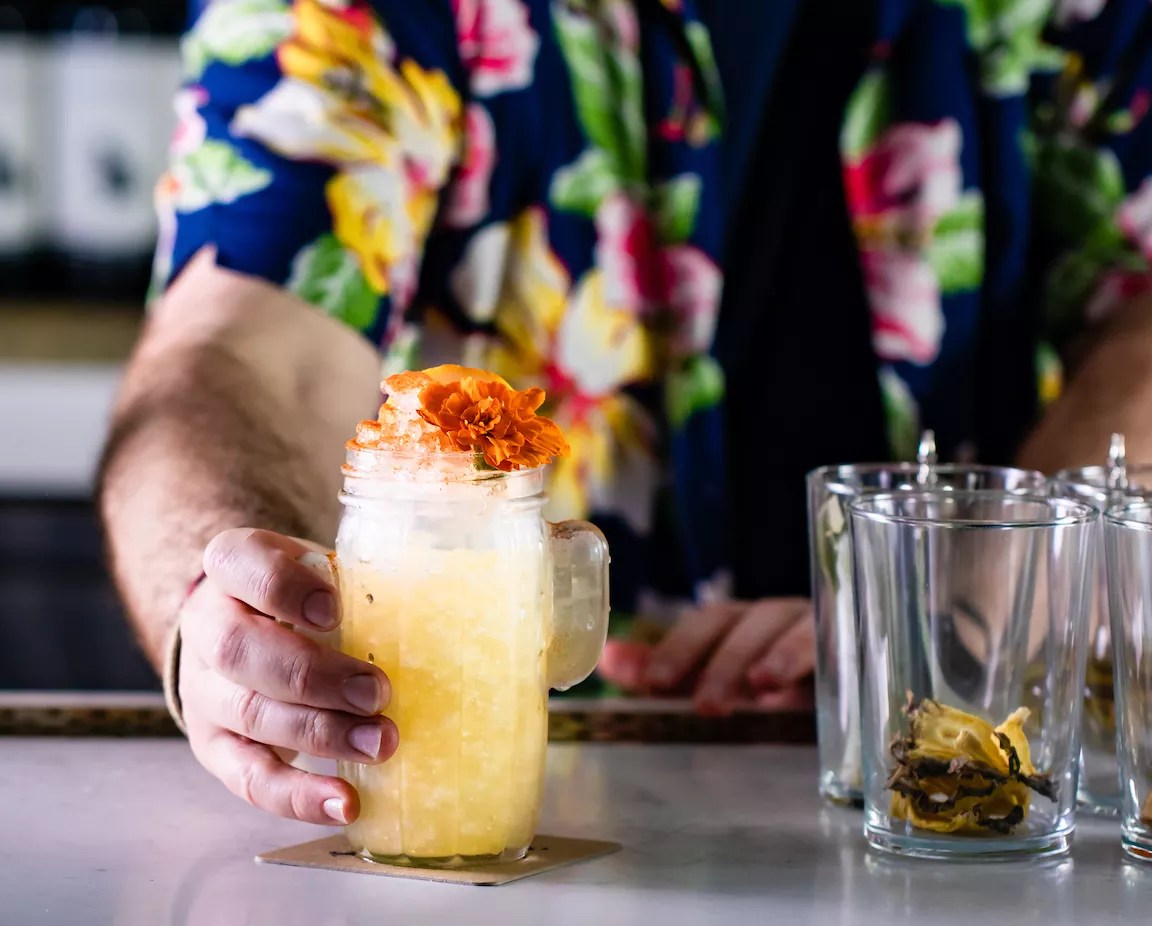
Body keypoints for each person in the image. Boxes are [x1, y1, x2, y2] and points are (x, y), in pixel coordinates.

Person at [100, 0, 1152, 825]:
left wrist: (953, 618)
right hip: (512, 826)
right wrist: (227, 601)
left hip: (968, 804)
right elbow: (232, 353)